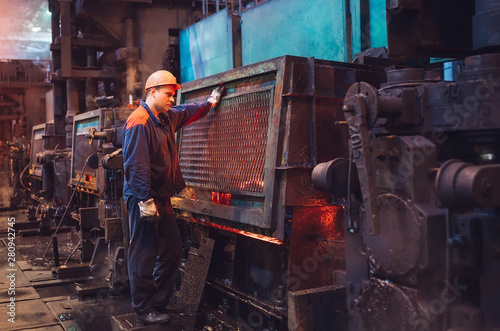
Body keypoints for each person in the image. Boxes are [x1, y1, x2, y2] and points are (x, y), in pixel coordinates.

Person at [122, 70, 224, 325]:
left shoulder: (165, 117)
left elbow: (188, 111)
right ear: (152, 91)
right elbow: (136, 166)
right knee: (144, 252)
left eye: (173, 95)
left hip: (162, 196)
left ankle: (160, 300)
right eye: (168, 94)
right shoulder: (139, 121)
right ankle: (144, 309)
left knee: (171, 248)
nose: (172, 99)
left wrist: (210, 103)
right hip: (143, 198)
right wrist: (144, 202)